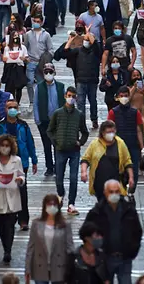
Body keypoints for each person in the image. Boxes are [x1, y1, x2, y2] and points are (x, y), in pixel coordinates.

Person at [83, 180, 143, 284]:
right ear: (105, 192)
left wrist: (132, 250)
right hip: (104, 259)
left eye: (116, 191)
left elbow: (137, 231)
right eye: (111, 192)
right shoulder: (97, 212)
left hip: (124, 258)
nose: (114, 195)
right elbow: (84, 232)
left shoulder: (129, 210)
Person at [0, 99, 38, 231]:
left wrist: (34, 160)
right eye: (9, 107)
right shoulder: (0, 126)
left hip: (21, 163)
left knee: (22, 191)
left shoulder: (23, 125)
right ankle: (9, 217)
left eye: (14, 107)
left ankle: (23, 220)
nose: (12, 109)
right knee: (6, 191)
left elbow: (30, 142)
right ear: (5, 109)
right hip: (4, 163)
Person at [48, 87, 90, 215]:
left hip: (74, 151)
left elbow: (85, 132)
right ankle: (60, 195)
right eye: (69, 95)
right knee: (59, 177)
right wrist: (56, 141)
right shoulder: (58, 113)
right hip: (60, 150)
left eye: (73, 96)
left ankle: (71, 203)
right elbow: (50, 130)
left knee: (73, 178)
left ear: (76, 98)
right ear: (65, 96)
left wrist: (80, 142)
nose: (71, 98)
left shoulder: (79, 115)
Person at [0, 135, 25, 264]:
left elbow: (22, 176)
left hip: (13, 195)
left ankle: (8, 250)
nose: (5, 148)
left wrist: (20, 180)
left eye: (7, 146)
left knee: (10, 224)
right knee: (2, 225)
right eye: (3, 145)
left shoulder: (16, 160)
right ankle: (5, 246)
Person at [25, 194, 75, 284]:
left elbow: (70, 247)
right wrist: (27, 269)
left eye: (54, 205)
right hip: (40, 267)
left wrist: (71, 269)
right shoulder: (36, 224)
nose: (52, 207)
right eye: (49, 204)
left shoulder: (65, 225)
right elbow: (31, 247)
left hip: (59, 267)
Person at [81, 121, 135, 201]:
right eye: (108, 132)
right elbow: (86, 159)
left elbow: (127, 161)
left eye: (113, 131)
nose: (111, 134)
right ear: (102, 132)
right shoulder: (95, 144)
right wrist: (84, 172)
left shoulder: (120, 143)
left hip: (116, 184)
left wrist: (131, 177)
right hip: (99, 184)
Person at [59, 30, 101, 129]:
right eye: (84, 39)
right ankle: (81, 122)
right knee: (80, 102)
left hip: (92, 80)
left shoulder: (95, 51)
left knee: (93, 101)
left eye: (88, 40)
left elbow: (95, 44)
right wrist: (71, 39)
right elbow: (65, 52)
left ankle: (94, 119)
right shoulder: (78, 50)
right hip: (80, 80)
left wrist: (88, 33)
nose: (86, 41)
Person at [34, 63, 66, 176]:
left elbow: (65, 103)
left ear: (54, 73)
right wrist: (38, 120)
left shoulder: (61, 86)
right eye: (46, 72)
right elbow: (36, 104)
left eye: (50, 72)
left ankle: (58, 167)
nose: (48, 74)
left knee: (57, 145)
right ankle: (49, 167)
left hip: (58, 122)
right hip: (44, 121)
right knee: (46, 146)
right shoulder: (39, 86)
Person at [24, 12, 54, 105]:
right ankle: (32, 101)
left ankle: (41, 100)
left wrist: (47, 59)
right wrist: (26, 57)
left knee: (41, 83)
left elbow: (51, 49)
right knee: (29, 82)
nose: (36, 23)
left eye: (38, 21)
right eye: (34, 21)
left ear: (41, 22)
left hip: (41, 63)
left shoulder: (46, 35)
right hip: (31, 62)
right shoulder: (28, 34)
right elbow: (25, 47)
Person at [1, 32, 30, 105]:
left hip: (19, 68)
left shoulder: (23, 47)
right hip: (10, 69)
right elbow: (4, 59)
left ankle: (17, 102)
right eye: (14, 36)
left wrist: (24, 58)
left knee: (19, 87)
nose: (15, 38)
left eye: (17, 36)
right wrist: (4, 59)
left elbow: (27, 59)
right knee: (10, 87)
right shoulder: (7, 48)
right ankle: (10, 103)